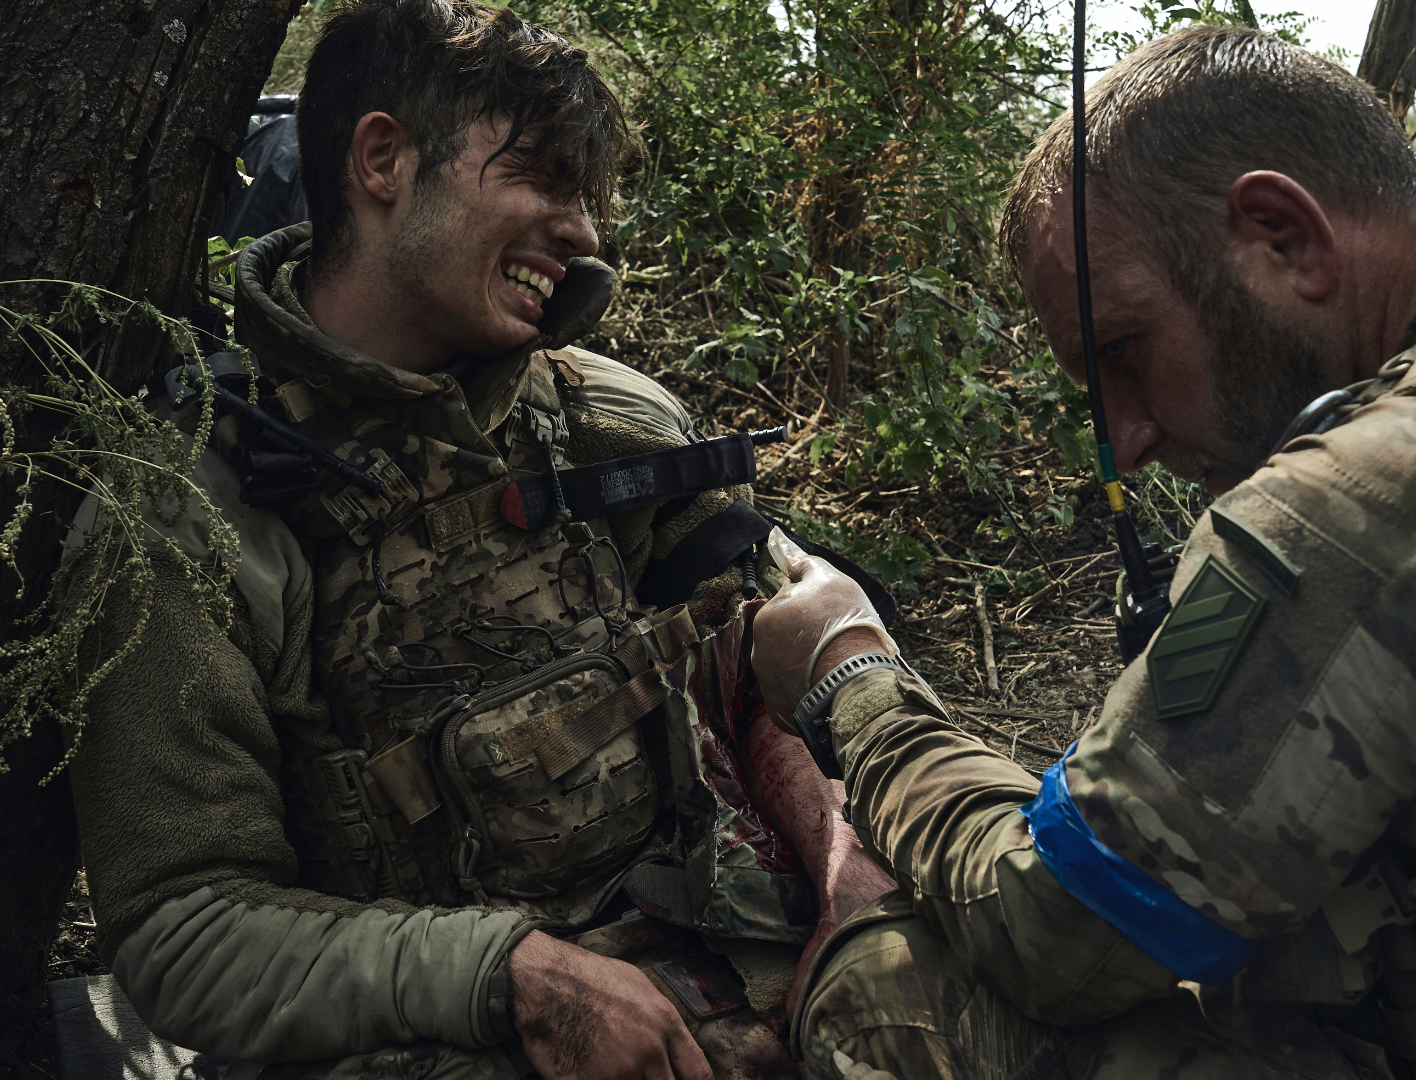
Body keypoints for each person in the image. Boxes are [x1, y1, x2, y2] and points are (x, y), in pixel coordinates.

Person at [748, 24, 1416, 1080]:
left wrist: (856, 683)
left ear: (1284, 237)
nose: (1125, 435)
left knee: (892, 985)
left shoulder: (1396, 479)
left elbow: (1060, 928)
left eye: (1122, 353)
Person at [62, 1, 880, 1076]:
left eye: (586, 199)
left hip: (724, 952)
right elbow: (183, 931)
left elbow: (762, 650)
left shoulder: (606, 417)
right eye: (542, 178)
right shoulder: (187, 510)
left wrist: (843, 858)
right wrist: (509, 977)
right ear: (385, 159)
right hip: (445, 1030)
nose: (584, 234)